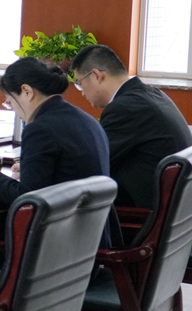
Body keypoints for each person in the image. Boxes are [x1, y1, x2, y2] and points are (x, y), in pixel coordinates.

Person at [0, 56, 120, 248]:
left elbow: (29, 199)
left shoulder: (40, 129)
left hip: (61, 245)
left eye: (10, 102)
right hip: (92, 239)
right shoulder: (84, 119)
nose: (13, 109)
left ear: (26, 91)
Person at [71, 45, 192, 209]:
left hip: (144, 212)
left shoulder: (124, 108)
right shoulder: (153, 94)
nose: (82, 92)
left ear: (96, 75)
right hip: (177, 208)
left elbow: (92, 162)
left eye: (79, 83)